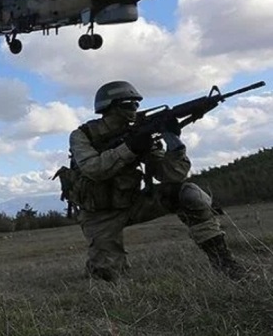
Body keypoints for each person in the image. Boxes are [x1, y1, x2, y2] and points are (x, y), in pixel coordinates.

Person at [69, 80, 248, 282]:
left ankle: (226, 265)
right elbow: (94, 169)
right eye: (128, 104)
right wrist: (130, 148)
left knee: (189, 194)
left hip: (133, 203)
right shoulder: (82, 135)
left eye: (136, 104)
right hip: (98, 214)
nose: (134, 110)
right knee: (107, 277)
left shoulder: (139, 134)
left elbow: (170, 176)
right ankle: (100, 268)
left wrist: (174, 142)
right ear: (109, 107)